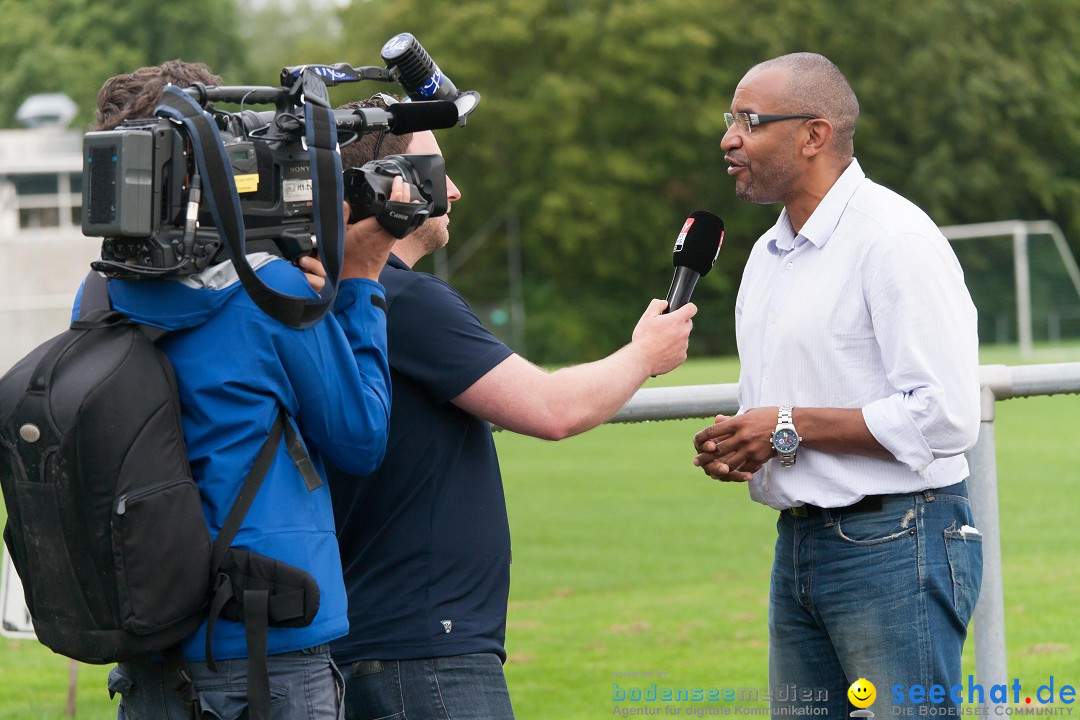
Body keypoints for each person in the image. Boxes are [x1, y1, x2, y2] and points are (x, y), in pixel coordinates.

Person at [301, 95, 698, 720]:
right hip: (425, 652)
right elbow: (552, 409)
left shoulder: (318, 288)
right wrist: (645, 353)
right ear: (386, 189)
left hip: (368, 642)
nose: (453, 192)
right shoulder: (402, 299)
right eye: (435, 174)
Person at [82, 60, 405, 720]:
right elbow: (361, 436)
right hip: (270, 648)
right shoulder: (272, 294)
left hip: (152, 656)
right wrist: (362, 285)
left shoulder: (96, 299)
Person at [690, 53, 983, 715]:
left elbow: (948, 416)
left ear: (814, 135)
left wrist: (787, 425)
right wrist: (754, 444)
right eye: (729, 119)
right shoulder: (769, 255)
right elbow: (793, 410)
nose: (728, 138)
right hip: (799, 544)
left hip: (897, 542)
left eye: (749, 120)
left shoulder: (893, 240)